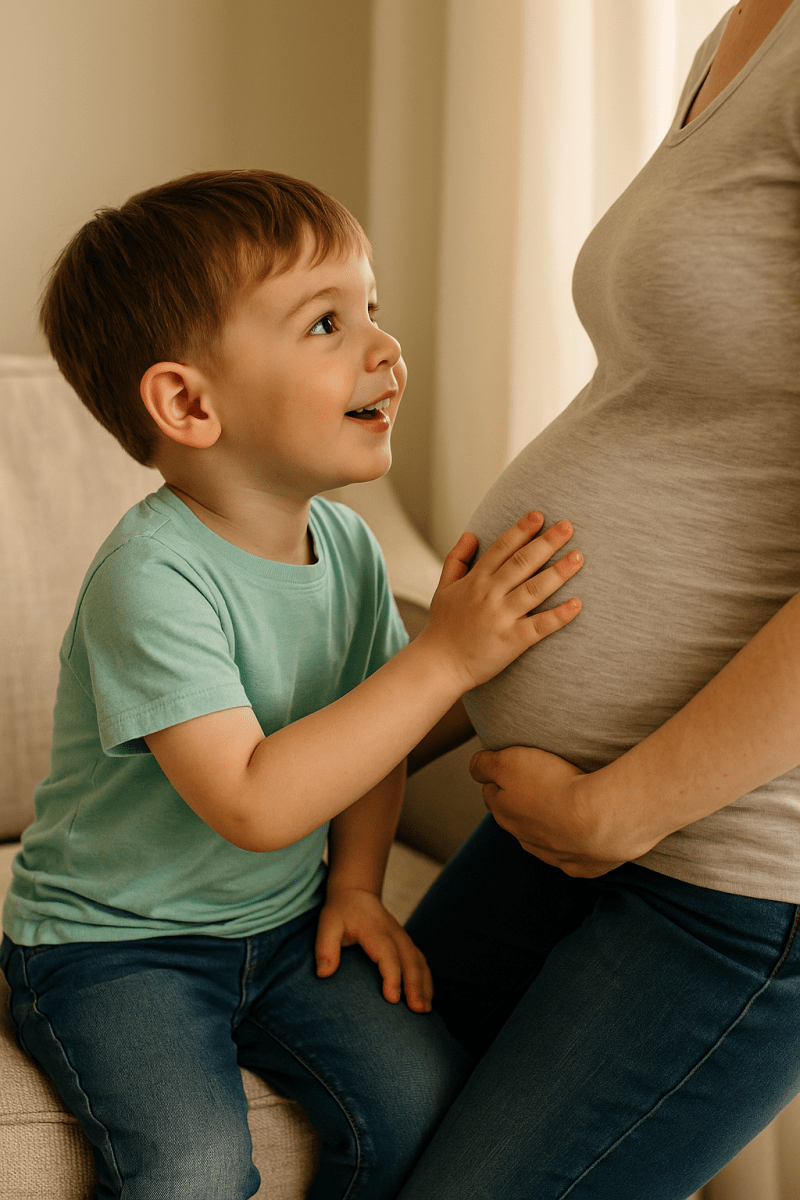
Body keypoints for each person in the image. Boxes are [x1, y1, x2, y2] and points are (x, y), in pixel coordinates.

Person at [0, 170, 586, 1199]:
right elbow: (255, 800)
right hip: (115, 950)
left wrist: (355, 887)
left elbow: (369, 742)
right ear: (187, 401)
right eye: (325, 323)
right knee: (189, 1168)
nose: (383, 348)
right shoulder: (151, 579)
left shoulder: (348, 547)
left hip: (276, 931)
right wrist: (443, 656)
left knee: (417, 1104)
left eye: (373, 308)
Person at [397, 2, 800, 1198]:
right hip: (557, 834)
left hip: (724, 860)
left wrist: (623, 807)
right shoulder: (743, 30)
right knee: (351, 1136)